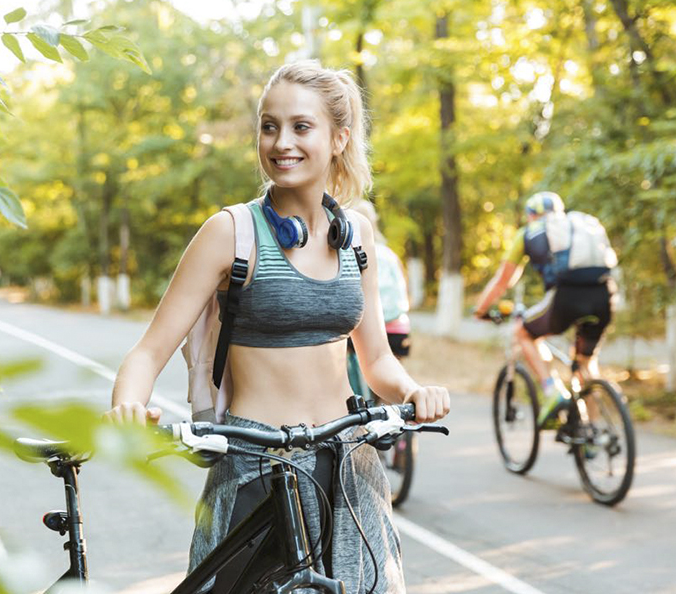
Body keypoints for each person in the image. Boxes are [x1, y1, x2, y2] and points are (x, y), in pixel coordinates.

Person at [106, 60, 449, 593]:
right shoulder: (230, 232)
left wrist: (413, 391)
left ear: (339, 138)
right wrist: (127, 403)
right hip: (252, 470)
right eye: (269, 126)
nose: (281, 141)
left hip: (347, 468)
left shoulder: (355, 237)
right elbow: (149, 351)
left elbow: (377, 361)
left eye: (300, 126)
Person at [472, 191, 618, 428]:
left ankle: (551, 391)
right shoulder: (579, 225)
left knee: (523, 331)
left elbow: (503, 281)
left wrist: (481, 310)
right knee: (586, 363)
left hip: (566, 297)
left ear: (531, 215)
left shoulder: (529, 232)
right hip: (604, 295)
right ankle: (593, 432)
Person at [346, 199, 411, 402]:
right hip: (398, 331)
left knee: (351, 365)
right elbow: (405, 294)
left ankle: (362, 403)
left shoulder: (350, 254)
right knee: (391, 387)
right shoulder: (391, 255)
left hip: (364, 332)